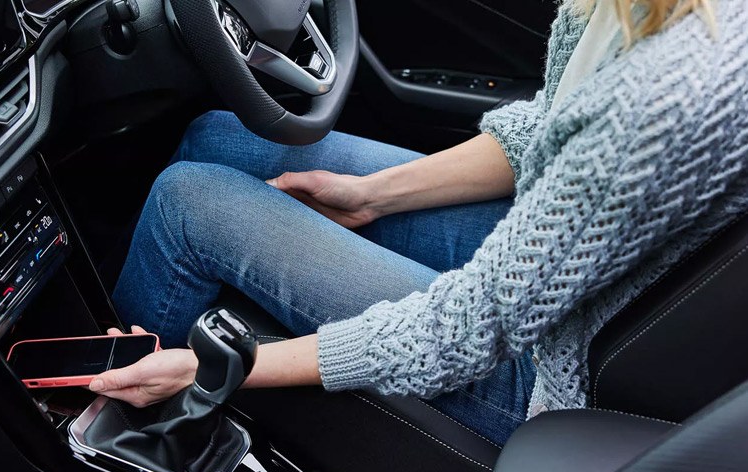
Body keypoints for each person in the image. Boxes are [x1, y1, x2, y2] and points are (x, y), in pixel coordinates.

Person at [90, 0, 747, 446]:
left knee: (186, 202)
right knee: (218, 139)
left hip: (550, 370)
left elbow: (465, 328)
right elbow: (551, 125)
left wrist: (211, 367)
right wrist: (371, 195)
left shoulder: (667, 97)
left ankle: (99, 424)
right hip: (562, 256)